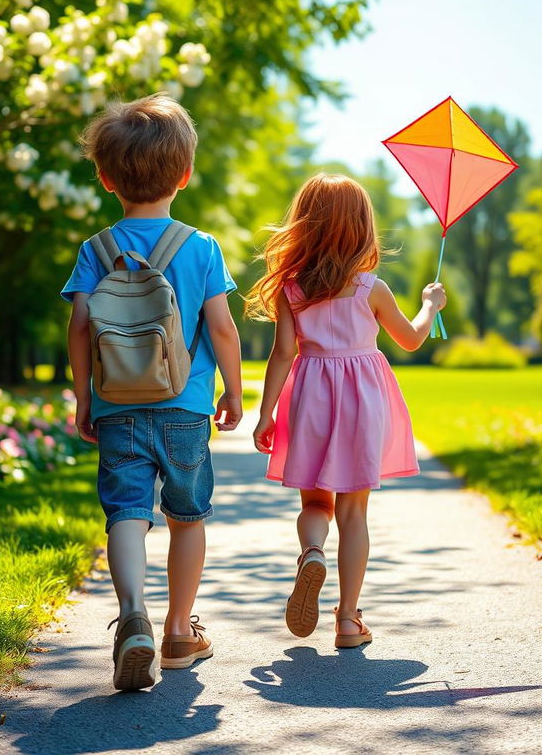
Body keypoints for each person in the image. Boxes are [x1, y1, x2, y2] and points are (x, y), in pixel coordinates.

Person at [61, 93, 242, 689]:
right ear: (185, 175)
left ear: (106, 178)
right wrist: (235, 390)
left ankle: (131, 614)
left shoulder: (96, 249)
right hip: (186, 406)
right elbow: (220, 327)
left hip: (118, 405)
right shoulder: (201, 247)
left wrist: (85, 398)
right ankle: (178, 633)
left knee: (127, 513)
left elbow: (81, 325)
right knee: (187, 518)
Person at [246, 173, 446, 648]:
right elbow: (412, 339)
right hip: (361, 399)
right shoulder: (371, 289)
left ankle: (312, 551)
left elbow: (282, 354)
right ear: (361, 228)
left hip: (310, 393)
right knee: (354, 513)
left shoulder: (291, 289)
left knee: (316, 502)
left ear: (305, 225)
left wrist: (266, 413)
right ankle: (349, 620)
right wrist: (430, 305)